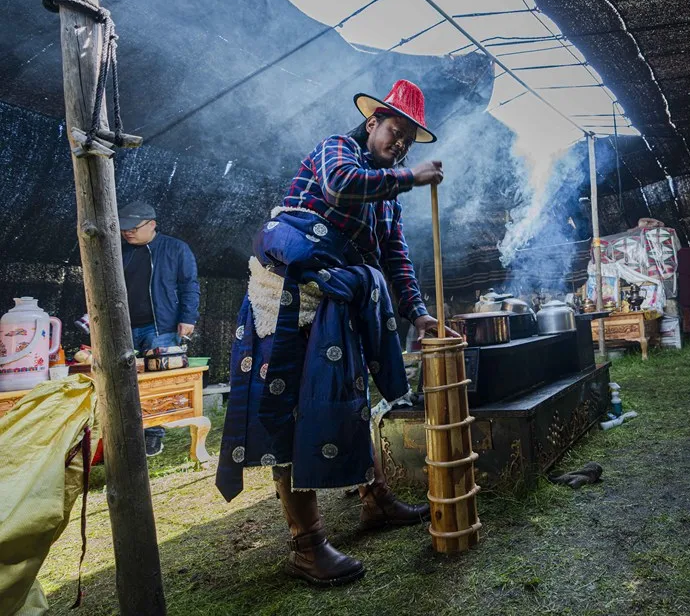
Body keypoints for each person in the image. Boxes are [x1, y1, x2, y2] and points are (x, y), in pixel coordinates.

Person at [215, 79, 456, 587]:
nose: (400, 144)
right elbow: (340, 185)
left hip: (333, 303)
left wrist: (417, 313)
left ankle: (375, 500)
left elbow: (394, 258)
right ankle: (306, 546)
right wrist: (410, 176)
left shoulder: (389, 193)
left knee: (347, 398)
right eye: (395, 132)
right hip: (283, 300)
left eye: (409, 141)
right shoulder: (337, 150)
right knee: (289, 409)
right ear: (373, 123)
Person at [117, 200, 200, 456]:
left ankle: (153, 436)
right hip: (123, 328)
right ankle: (126, 434)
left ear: (151, 224)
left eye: (133, 227)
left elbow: (189, 285)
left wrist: (188, 317)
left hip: (162, 328)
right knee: (123, 382)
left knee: (156, 384)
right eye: (124, 227)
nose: (127, 231)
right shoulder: (117, 251)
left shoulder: (175, 248)